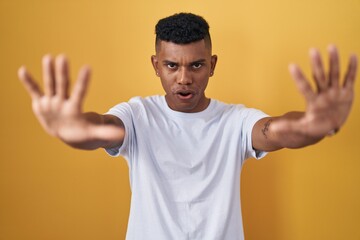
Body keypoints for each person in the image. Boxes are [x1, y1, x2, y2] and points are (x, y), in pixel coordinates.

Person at [18, 13, 357, 240]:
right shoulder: (137, 115)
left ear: (212, 65)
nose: (184, 78)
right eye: (171, 65)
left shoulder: (234, 120)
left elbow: (274, 131)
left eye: (196, 65)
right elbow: (103, 129)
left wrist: (316, 127)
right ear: (156, 65)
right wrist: (75, 130)